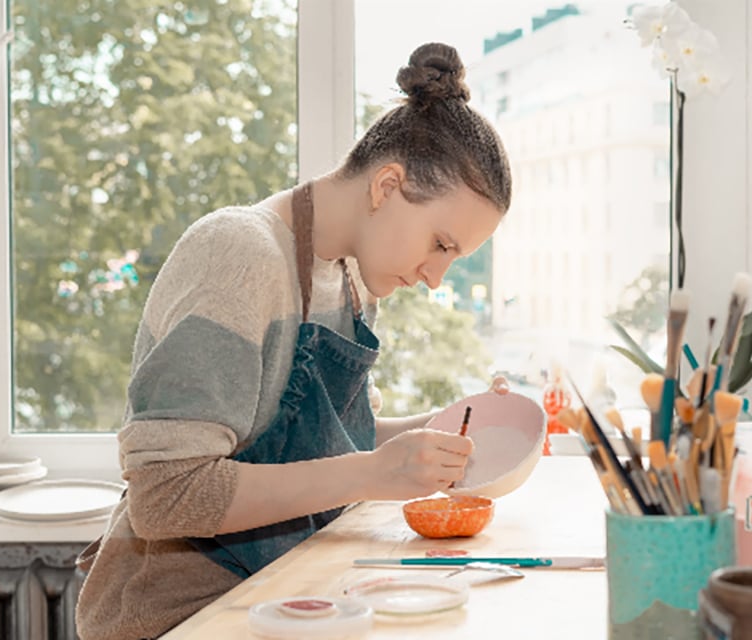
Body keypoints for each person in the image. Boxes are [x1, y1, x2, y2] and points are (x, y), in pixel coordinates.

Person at [75, 41, 512, 639]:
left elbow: (328, 442)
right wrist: (372, 474)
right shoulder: (238, 254)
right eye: (441, 245)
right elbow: (165, 495)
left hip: (279, 593)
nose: (437, 278)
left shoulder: (348, 280)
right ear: (387, 185)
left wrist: (439, 429)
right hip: (179, 617)